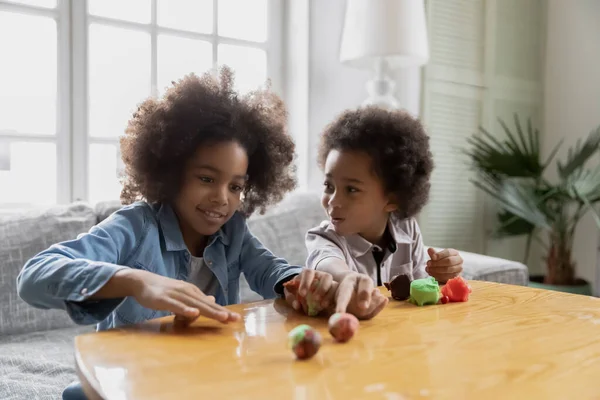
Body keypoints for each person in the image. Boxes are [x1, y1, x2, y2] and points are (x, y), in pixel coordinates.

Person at [16, 67, 367, 400]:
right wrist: (136, 280)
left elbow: (270, 270)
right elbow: (34, 275)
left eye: (236, 186)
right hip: (131, 381)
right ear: (171, 171)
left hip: (205, 378)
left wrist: (303, 284)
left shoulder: (233, 231)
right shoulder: (135, 226)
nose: (221, 199)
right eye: (206, 179)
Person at [305, 106, 464, 313]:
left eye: (351, 189)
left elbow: (419, 295)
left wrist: (441, 276)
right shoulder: (324, 238)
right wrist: (347, 278)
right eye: (329, 186)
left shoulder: (407, 229)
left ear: (393, 199)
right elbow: (328, 264)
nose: (333, 201)